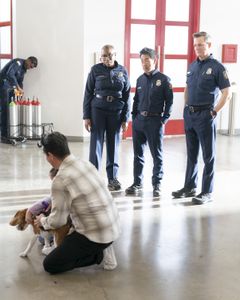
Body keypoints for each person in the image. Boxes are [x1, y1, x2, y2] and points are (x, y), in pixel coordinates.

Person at [34, 131, 121, 274]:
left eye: (45, 155)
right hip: (113, 227)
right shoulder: (85, 163)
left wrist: (42, 220)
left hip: (95, 236)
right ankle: (102, 247)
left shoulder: (60, 179)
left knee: (50, 264)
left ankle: (98, 255)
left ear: (50, 156)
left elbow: (57, 221)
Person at [172, 31, 231, 205]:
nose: (197, 48)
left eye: (201, 44)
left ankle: (207, 191)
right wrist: (185, 107)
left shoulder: (218, 67)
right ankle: (189, 186)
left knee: (208, 156)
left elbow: (226, 93)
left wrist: (214, 111)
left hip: (206, 115)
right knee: (191, 154)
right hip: (190, 115)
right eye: (195, 44)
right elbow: (187, 88)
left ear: (209, 46)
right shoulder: (192, 66)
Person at [125, 47, 173, 197]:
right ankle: (137, 183)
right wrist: (134, 116)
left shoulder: (164, 80)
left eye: (147, 60)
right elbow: (136, 100)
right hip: (139, 121)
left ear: (155, 60)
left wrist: (164, 119)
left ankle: (156, 184)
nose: (144, 63)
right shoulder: (140, 79)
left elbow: (169, 101)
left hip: (154, 121)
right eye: (142, 60)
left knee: (156, 155)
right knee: (138, 154)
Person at [83, 45, 131, 191]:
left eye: (110, 55)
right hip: (97, 110)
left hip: (116, 111)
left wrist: (125, 118)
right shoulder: (95, 70)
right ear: (101, 57)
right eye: (104, 56)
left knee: (113, 144)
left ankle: (113, 178)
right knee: (96, 144)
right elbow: (88, 93)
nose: (107, 58)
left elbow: (127, 95)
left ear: (115, 55)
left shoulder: (122, 71)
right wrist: (86, 116)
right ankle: (94, 178)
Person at [0, 56, 38, 142]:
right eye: (31, 66)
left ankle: (10, 133)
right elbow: (9, 74)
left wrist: (20, 92)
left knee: (10, 110)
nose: (30, 68)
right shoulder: (18, 63)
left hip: (10, 88)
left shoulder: (24, 70)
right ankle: (3, 136)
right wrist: (17, 87)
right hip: (3, 85)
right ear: (28, 60)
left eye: (32, 68)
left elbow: (20, 81)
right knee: (5, 109)